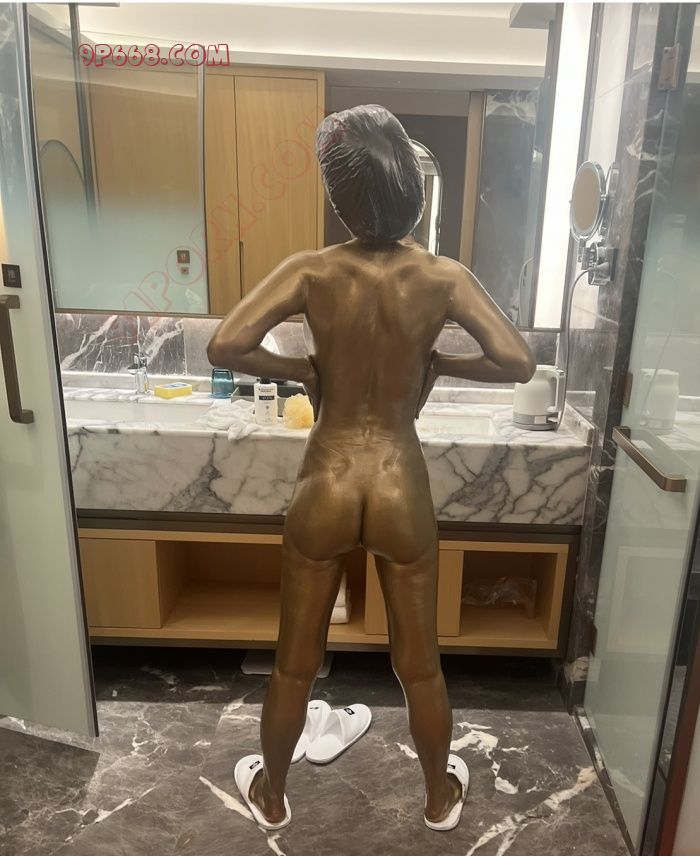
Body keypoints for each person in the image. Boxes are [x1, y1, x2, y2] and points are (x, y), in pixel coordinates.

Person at [207, 104, 535, 832]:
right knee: (420, 664)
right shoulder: (443, 278)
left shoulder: (311, 270)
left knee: (294, 662)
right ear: (410, 188)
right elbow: (518, 361)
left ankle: (272, 796)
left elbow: (225, 345)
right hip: (397, 478)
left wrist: (302, 370)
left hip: (326, 477)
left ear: (340, 196)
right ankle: (439, 798)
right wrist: (441, 362)